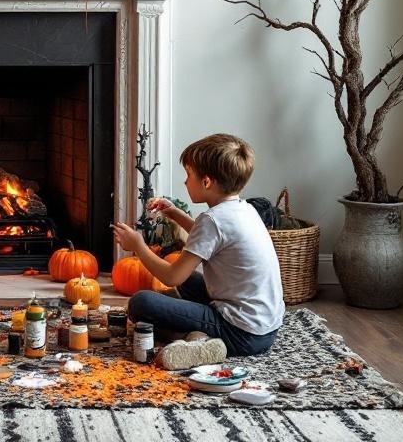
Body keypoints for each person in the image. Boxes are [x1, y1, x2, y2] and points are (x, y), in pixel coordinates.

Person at [111, 133, 283, 357]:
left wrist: (138, 245)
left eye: (188, 174)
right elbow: (209, 238)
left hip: (240, 333)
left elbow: (172, 277)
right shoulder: (244, 209)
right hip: (264, 328)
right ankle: (195, 331)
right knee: (190, 281)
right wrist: (173, 213)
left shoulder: (212, 220)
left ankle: (194, 342)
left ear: (207, 182)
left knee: (140, 303)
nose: (185, 181)